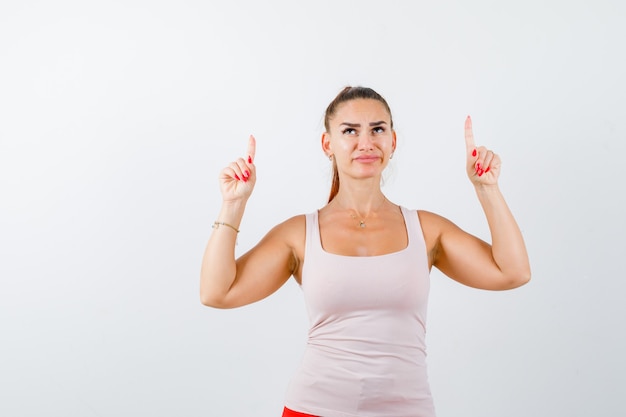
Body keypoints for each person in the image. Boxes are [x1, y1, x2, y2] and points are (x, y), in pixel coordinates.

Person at [200, 86, 531, 417]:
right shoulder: (299, 234)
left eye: (377, 129)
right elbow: (217, 293)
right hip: (314, 408)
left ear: (393, 141)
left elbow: (512, 272)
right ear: (327, 144)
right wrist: (233, 203)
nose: (366, 143)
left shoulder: (426, 230)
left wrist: (487, 189)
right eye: (349, 131)